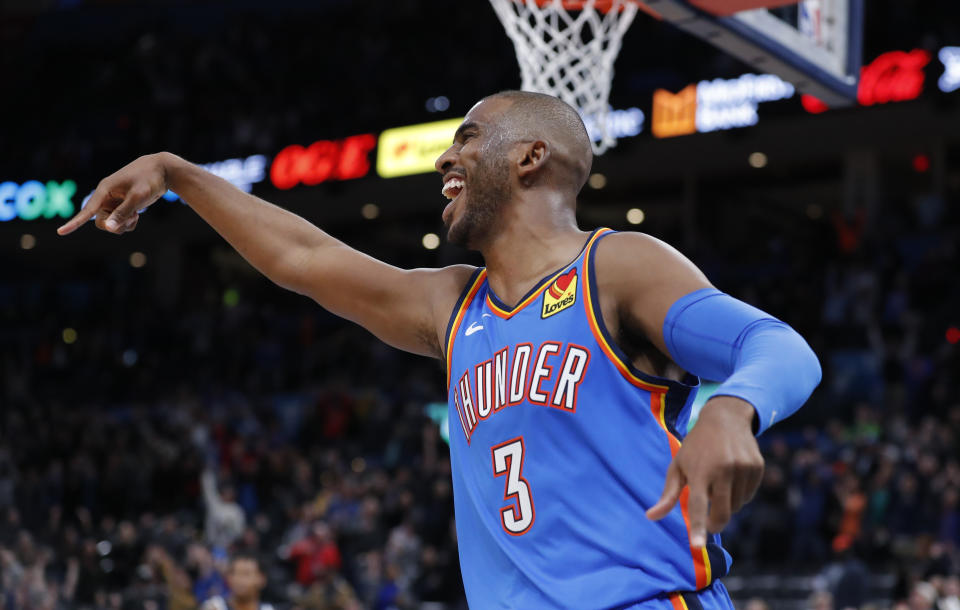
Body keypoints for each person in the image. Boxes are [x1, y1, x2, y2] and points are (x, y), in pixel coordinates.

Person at [58, 90, 821, 608]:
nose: (443, 161)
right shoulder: (455, 305)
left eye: (467, 139)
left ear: (530, 158)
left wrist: (731, 409)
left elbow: (775, 345)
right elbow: (302, 258)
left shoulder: (615, 266)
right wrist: (181, 176)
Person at [201, 553, 274, 610]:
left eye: (246, 574)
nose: (239, 580)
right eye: (235, 573)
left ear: (262, 579)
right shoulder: (214, 606)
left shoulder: (268, 609)